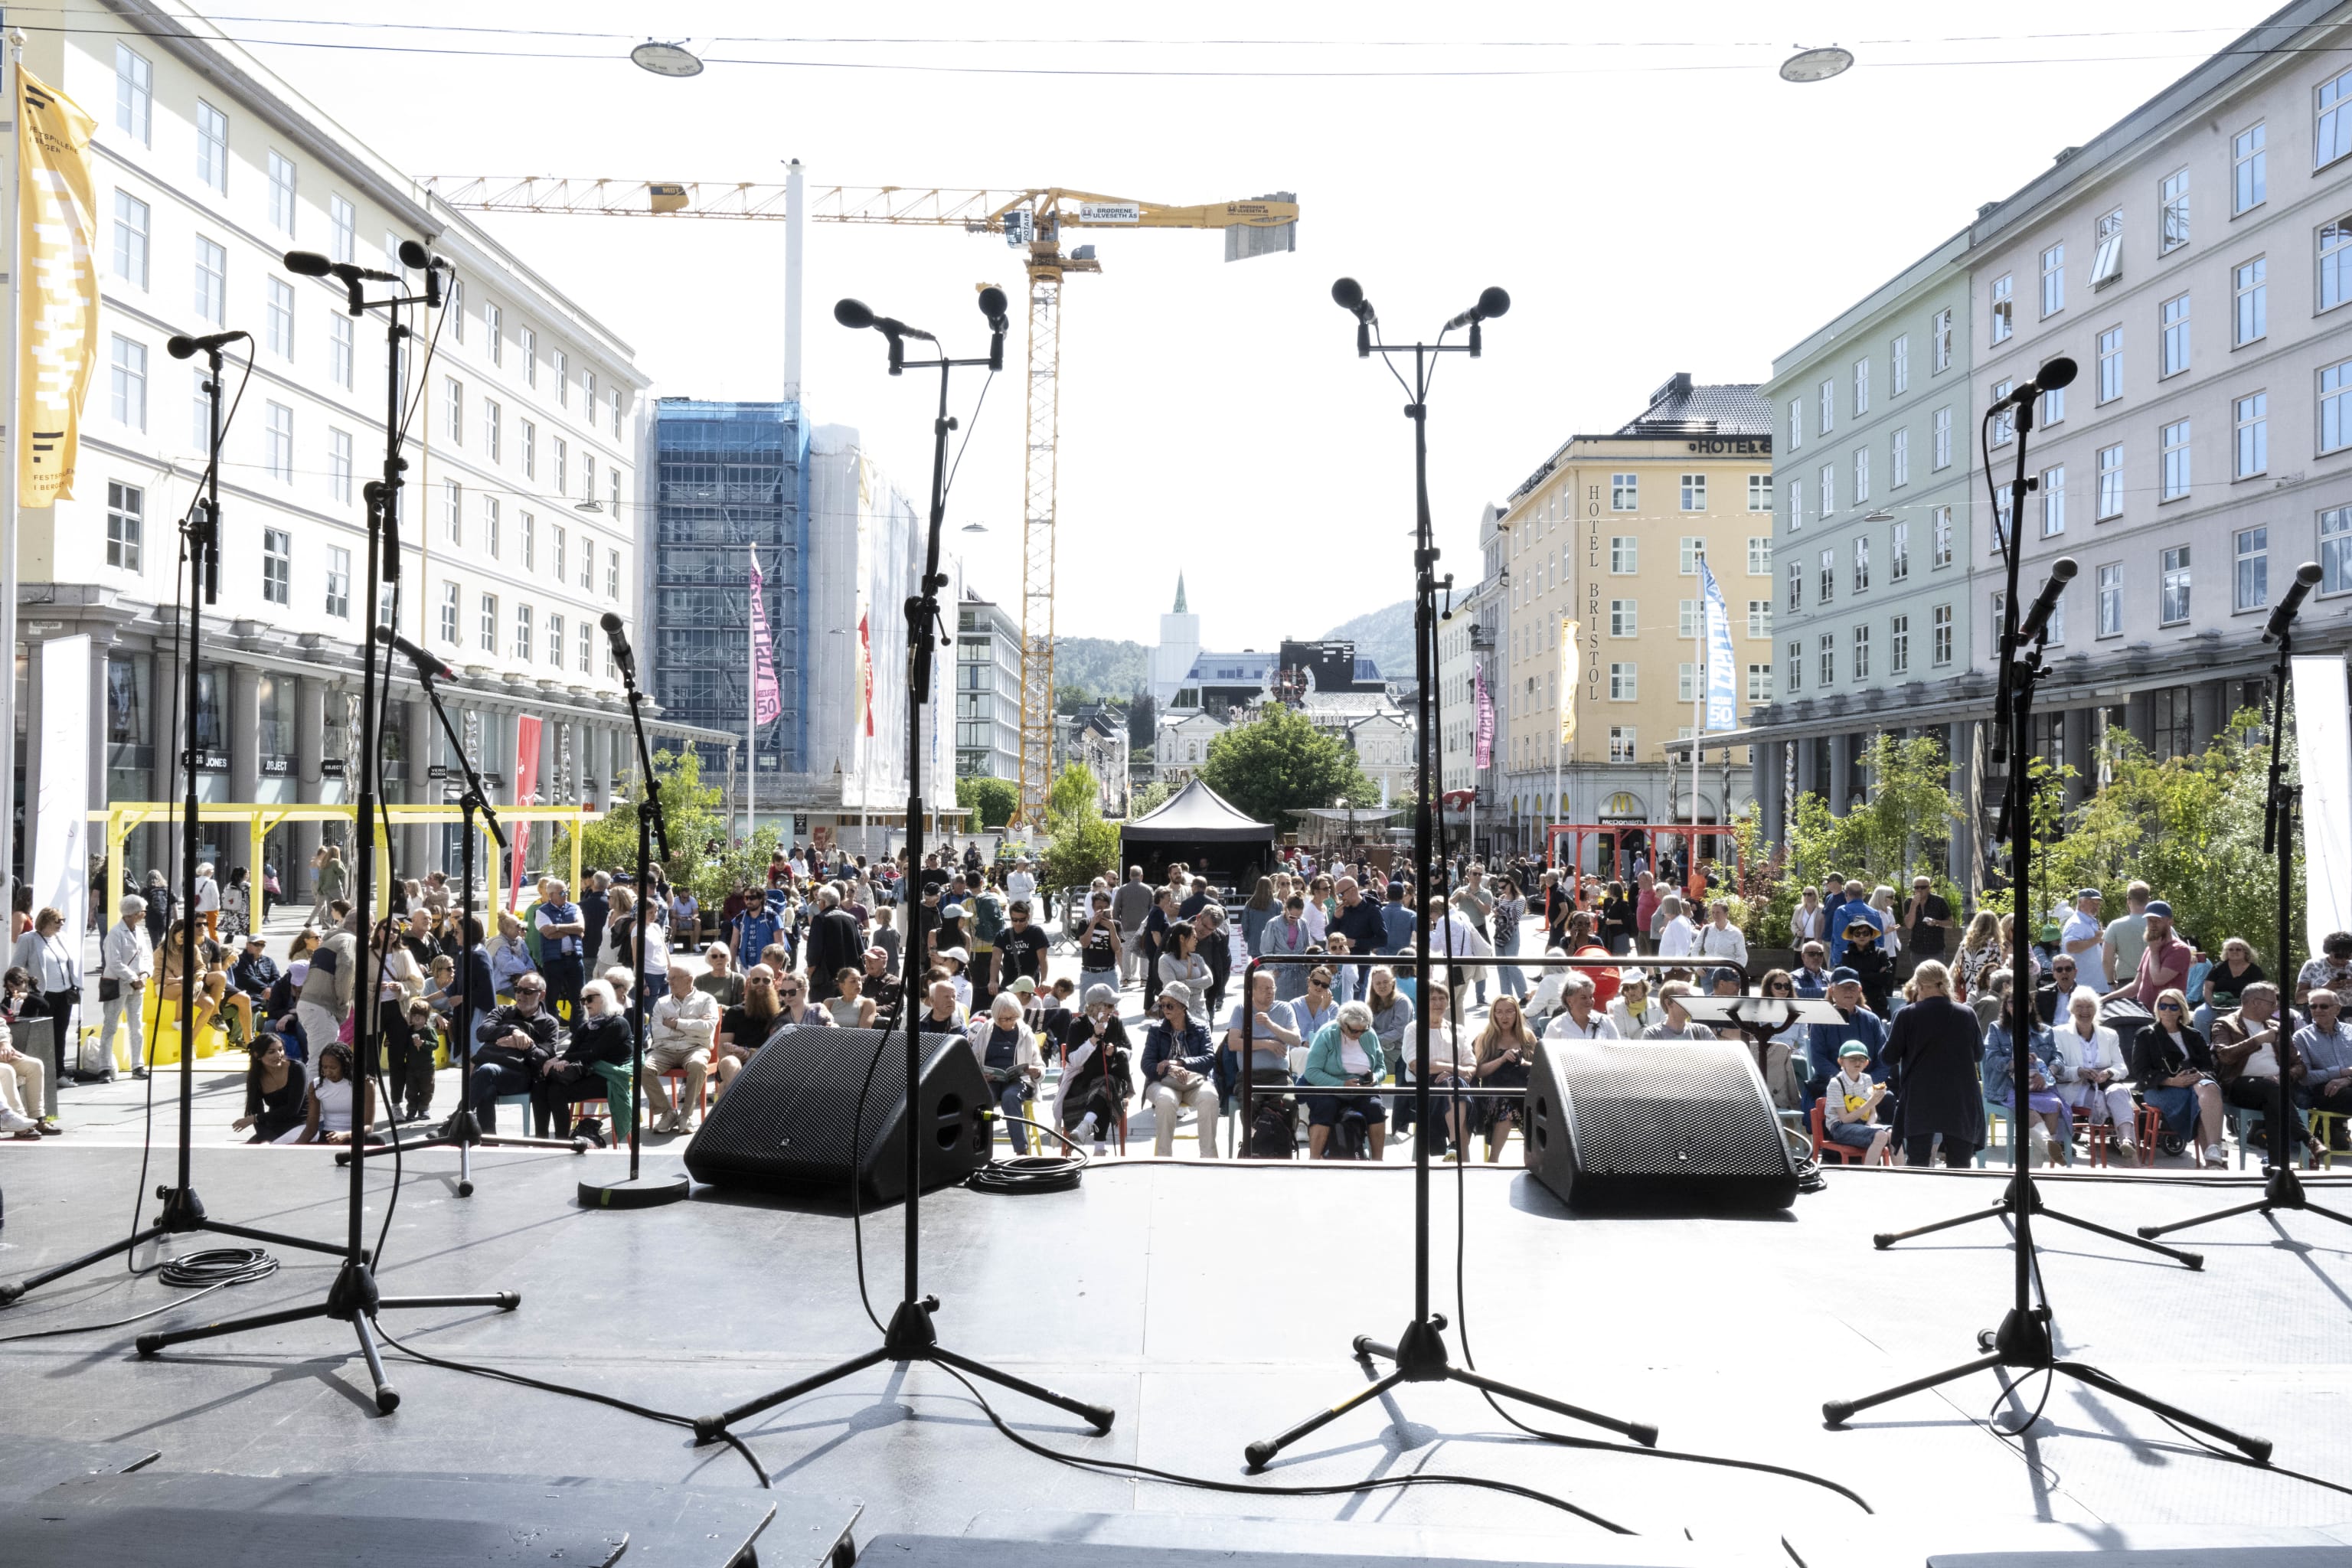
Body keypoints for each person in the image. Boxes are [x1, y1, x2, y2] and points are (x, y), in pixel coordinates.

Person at [1878, 961, 1984, 1167]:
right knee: (1960, 1165)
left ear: (1919, 984)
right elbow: (1978, 1054)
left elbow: (1888, 1057)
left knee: (1918, 1162)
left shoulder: (1906, 1015)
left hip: (1921, 1096)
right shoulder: (1967, 1014)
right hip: (1960, 1096)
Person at [2134, 985, 2227, 1166]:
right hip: (2160, 1087)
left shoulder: (2194, 1035)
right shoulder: (2146, 1035)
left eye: (2173, 1007)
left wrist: (2198, 1075)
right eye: (2163, 1006)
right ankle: (2214, 1162)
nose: (2167, 1011)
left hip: (2195, 1083)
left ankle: (2213, 1150)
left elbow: (2208, 1067)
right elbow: (2141, 1072)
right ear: (2157, 1009)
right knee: (2199, 1104)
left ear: (2181, 1010)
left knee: (2211, 1087)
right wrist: (2172, 1081)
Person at [2210, 980, 2306, 1153]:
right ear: (2255, 1002)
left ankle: (2275, 1164)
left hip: (2278, 1086)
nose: (2275, 1008)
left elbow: (2299, 1064)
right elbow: (2225, 1056)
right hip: (2240, 1086)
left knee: (2273, 1096)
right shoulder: (2224, 1024)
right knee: (2272, 1090)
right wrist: (2257, 1040)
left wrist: (2284, 1077)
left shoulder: (2277, 1027)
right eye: (2272, 1003)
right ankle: (2305, 1137)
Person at [536, 978, 634, 1145]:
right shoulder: (586, 1027)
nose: (585, 1003)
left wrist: (561, 1060)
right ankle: (542, 1138)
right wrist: (560, 1061)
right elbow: (571, 1053)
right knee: (540, 1086)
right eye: (583, 1000)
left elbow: (593, 1054)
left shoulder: (618, 1024)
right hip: (586, 1073)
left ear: (604, 997)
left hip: (609, 1078)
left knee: (556, 1091)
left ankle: (561, 1141)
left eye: (590, 998)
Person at [2050, 985, 2137, 1158]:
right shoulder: (2059, 1033)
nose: (2085, 1011)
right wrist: (2079, 1071)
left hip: (2105, 1084)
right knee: (2106, 1101)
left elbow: (2122, 1068)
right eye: (2080, 1007)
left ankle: (2127, 1141)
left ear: (2096, 1010)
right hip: (2076, 1088)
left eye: (2089, 1006)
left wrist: (2108, 1073)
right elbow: (2057, 1070)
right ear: (2072, 1010)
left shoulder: (2109, 1035)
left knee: (2119, 1090)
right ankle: (2124, 1145)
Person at [1985, 990, 2069, 1165]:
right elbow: (1991, 1058)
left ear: (2031, 1006)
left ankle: (2037, 1165)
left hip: (2042, 1085)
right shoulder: (1996, 1029)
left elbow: (2058, 1058)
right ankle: (2047, 1145)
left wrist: (2047, 1074)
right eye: (2012, 1003)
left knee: (2053, 1106)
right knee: (2027, 1107)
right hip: (2008, 1086)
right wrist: (2015, 1062)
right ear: (2006, 1007)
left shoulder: (2046, 1031)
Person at [1298, 999, 1387, 1160]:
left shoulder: (1369, 1034)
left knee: (1376, 1108)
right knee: (1325, 1106)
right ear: (1343, 1024)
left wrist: (1374, 1078)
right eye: (1354, 1031)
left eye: (1363, 1031)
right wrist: (1342, 1084)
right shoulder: (1327, 1034)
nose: (1358, 1035)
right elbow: (1311, 1072)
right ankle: (1314, 1160)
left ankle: (1378, 1161)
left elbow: (1381, 1068)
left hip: (1361, 1088)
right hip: (1329, 1087)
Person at [1141, 981, 1220, 1158]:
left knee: (1210, 1097)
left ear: (1183, 1006)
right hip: (1163, 1083)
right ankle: (1163, 1158)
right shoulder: (1155, 1030)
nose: (1165, 1009)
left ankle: (1209, 1158)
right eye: (1162, 1005)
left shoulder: (1200, 1028)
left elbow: (1209, 1059)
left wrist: (1180, 1063)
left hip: (1195, 1083)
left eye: (1170, 1005)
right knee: (1166, 1100)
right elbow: (1146, 1065)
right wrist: (1169, 1069)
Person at [646, 962, 719, 1133]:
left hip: (694, 1048)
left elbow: (708, 1028)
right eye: (668, 978)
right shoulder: (661, 1003)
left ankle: (687, 1115)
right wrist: (694, 1026)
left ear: (689, 980)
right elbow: (658, 1032)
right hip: (664, 1049)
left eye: (674, 978)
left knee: (698, 1065)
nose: (669, 982)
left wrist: (677, 1024)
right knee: (643, 1068)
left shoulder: (707, 1000)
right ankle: (667, 1113)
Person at [1058, 985, 1133, 1152]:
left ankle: (1086, 1125)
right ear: (1096, 1007)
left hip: (1109, 1078)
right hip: (1082, 1082)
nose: (1113, 1011)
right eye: (1110, 1006)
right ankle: (1100, 1149)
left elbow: (1129, 1050)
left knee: (1107, 1084)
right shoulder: (1078, 1025)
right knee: (1106, 1090)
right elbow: (1073, 1060)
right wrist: (1092, 1040)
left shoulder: (1115, 1023)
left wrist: (1117, 1050)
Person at [966, 991, 1044, 1152]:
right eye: (1003, 1019)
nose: (1008, 1022)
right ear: (995, 1016)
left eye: (1012, 1018)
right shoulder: (987, 1029)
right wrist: (980, 1075)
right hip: (991, 1079)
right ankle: (978, 1148)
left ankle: (1021, 1149)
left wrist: (1035, 1072)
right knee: (983, 1100)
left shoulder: (1025, 1032)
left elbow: (1039, 1065)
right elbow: (973, 1058)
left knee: (1010, 1098)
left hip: (1018, 1080)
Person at [1471, 995, 1539, 1161]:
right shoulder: (1485, 1037)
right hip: (1495, 1092)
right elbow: (1479, 1071)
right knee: (1506, 1108)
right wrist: (1501, 1059)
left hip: (1523, 1090)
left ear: (1517, 1013)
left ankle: (1533, 1159)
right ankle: (1494, 1159)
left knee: (1529, 1106)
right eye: (1499, 1012)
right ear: (1493, 1015)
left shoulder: (1527, 1036)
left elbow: (1540, 1068)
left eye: (1509, 1012)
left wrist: (1524, 1062)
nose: (1504, 1016)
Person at [96, 897, 155, 1082]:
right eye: (143, 911)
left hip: (137, 985)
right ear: (134, 913)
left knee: (136, 1026)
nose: (145, 914)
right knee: (111, 1026)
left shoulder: (138, 931)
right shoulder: (115, 933)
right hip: (118, 984)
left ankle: (138, 1065)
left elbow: (147, 956)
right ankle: (104, 1067)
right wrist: (133, 978)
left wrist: (145, 974)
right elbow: (113, 962)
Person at [14, 905, 77, 1060]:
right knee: (43, 1036)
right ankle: (43, 1072)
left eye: (63, 920)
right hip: (44, 995)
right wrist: (21, 990)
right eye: (57, 920)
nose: (61, 923)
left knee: (60, 1032)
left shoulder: (63, 938)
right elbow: (17, 968)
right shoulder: (28, 939)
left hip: (65, 994)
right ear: (45, 921)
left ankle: (60, 1072)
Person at [280, 1040, 373, 1145]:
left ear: (345, 1065)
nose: (328, 1072)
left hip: (356, 1136)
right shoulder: (315, 1086)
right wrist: (296, 1146)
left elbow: (369, 1126)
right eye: (325, 1067)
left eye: (333, 1068)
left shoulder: (366, 1085)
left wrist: (345, 1135)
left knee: (377, 1140)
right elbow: (311, 1128)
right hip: (329, 1136)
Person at [233, 1031, 306, 1143]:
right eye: (271, 1052)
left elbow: (292, 1109)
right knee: (252, 1148)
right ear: (258, 1055)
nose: (278, 1055)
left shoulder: (297, 1068)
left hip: (300, 1125)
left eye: (280, 1049)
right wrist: (265, 1137)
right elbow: (255, 1110)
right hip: (274, 1125)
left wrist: (255, 1118)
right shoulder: (255, 1077)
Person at [2295, 990, 2352, 1135]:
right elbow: (2305, 1078)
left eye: (2324, 1006)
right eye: (2313, 1007)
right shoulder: (2301, 1037)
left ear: (2337, 1009)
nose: (2318, 1010)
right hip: (2325, 1089)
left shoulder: (2350, 1031)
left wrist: (2347, 1079)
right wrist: (2340, 1072)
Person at [533, 879, 589, 1021]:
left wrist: (557, 927)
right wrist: (572, 930)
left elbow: (581, 928)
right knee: (551, 998)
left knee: (578, 998)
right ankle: (552, 1031)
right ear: (551, 895)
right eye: (562, 892)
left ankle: (577, 1032)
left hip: (574, 958)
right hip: (553, 960)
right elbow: (547, 933)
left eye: (567, 891)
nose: (566, 895)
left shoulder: (574, 908)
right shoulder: (541, 912)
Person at [1258, 894, 1315, 1004]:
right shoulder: (1273, 924)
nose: (1295, 920)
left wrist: (1307, 967)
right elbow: (1266, 950)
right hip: (1281, 972)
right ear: (1286, 909)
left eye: (1298, 917)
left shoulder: (1303, 923)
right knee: (1282, 1005)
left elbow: (1307, 947)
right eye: (1292, 917)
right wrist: (1274, 969)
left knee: (1301, 1006)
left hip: (1300, 973)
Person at [1542, 972, 1619, 1042]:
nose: (1589, 1001)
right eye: (1583, 997)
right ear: (1569, 1001)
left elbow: (1618, 1050)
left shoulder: (1605, 1021)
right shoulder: (1556, 1026)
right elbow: (1547, 1054)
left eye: (1591, 997)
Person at [1640, 979, 1717, 1042]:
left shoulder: (1701, 1031)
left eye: (1691, 996)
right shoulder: (1653, 1034)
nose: (1691, 1000)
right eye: (1686, 997)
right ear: (1669, 1003)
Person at [1902, 875, 1953, 962]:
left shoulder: (1939, 901)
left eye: (1923, 887)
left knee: (1936, 976)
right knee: (1919, 976)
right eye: (1917, 887)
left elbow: (1950, 923)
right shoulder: (1909, 902)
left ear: (1929, 888)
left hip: (1936, 950)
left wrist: (1937, 922)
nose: (1919, 890)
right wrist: (1914, 905)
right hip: (1917, 951)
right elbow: (1909, 925)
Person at [1955, 911, 2004, 1002]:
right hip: (1984, 991)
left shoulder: (1965, 944)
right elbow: (1997, 971)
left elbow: (1957, 964)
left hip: (1967, 989)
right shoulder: (1993, 947)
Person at [2296, 932, 2352, 1010]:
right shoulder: (2312, 965)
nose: (2341, 961)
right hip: (2321, 1016)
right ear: (2329, 951)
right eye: (2338, 956)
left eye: (2347, 957)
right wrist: (2323, 989)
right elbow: (2299, 999)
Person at [1694, 899, 1748, 972]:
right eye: (1713, 912)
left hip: (1726, 973)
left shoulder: (1736, 933)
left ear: (1726, 914)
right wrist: (1697, 968)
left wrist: (1735, 971)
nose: (1715, 915)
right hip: (1707, 972)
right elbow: (1695, 949)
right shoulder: (1706, 929)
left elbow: (1742, 956)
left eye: (1718, 912)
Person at [694, 942, 746, 1009]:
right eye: (714, 956)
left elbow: (742, 1007)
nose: (719, 959)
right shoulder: (700, 980)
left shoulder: (738, 979)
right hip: (706, 1018)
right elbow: (694, 1005)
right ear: (709, 959)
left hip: (729, 1018)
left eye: (722, 955)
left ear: (728, 957)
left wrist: (722, 1008)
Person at [1655, 895, 1697, 960]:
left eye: (1664, 905)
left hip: (1674, 966)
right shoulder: (1674, 921)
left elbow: (1682, 945)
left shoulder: (1678, 923)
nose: (1662, 907)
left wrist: (1677, 964)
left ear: (1669, 906)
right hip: (1668, 964)